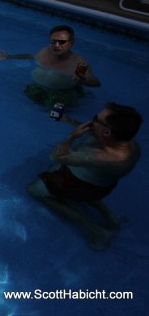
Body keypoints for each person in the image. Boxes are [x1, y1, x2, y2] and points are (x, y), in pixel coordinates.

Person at [27, 102, 142, 251]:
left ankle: (96, 230)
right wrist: (69, 121)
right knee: (91, 189)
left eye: (96, 119)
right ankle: (111, 219)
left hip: (78, 186)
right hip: (102, 185)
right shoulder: (130, 145)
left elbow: (56, 156)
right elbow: (98, 133)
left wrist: (72, 136)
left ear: (106, 132)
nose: (91, 121)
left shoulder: (98, 157)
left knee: (33, 190)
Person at [0, 25, 100, 108]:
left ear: (71, 43)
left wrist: (83, 81)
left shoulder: (79, 62)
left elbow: (95, 81)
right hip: (38, 87)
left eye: (62, 42)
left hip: (61, 93)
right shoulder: (45, 51)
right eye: (53, 41)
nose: (57, 45)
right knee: (29, 99)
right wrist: (10, 56)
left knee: (54, 112)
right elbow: (31, 56)